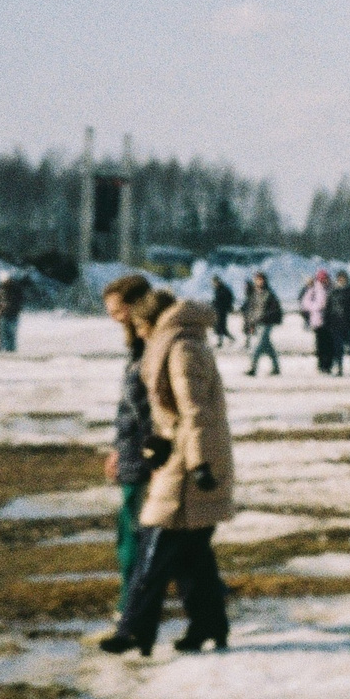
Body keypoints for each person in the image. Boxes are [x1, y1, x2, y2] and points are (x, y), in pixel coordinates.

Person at [102, 283, 235, 656]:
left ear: (151, 322)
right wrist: (159, 440)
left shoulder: (181, 347)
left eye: (139, 326)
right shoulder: (175, 343)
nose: (138, 334)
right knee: (192, 555)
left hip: (191, 463)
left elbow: (195, 412)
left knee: (155, 543)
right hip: (183, 454)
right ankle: (209, 624)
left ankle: (133, 629)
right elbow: (174, 412)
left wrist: (199, 463)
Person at [100, 275, 163, 614]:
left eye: (117, 311)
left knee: (136, 533)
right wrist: (117, 449)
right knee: (137, 530)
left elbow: (156, 412)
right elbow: (129, 409)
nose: (114, 318)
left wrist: (155, 458)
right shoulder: (137, 347)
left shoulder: (155, 348)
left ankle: (132, 605)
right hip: (132, 452)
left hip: (146, 455)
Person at [245, 273, 284, 377]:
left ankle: (253, 368)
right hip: (257, 323)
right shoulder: (254, 293)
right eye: (257, 279)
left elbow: (275, 310)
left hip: (266, 323)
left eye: (261, 279)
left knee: (258, 346)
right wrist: (251, 323)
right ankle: (276, 368)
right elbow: (251, 310)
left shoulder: (269, 294)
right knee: (268, 347)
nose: (259, 282)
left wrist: (266, 317)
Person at [299, 268, 335, 375]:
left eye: (325, 278)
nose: (324, 281)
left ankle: (328, 366)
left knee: (330, 344)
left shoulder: (332, 288)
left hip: (331, 320)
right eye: (322, 279)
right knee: (320, 344)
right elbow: (305, 303)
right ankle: (321, 365)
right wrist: (316, 307)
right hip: (318, 320)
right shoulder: (314, 289)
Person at [0, 270, 28, 354]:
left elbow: (21, 301)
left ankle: (10, 350)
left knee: (11, 334)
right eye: (6, 280)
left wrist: (17, 309)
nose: (7, 281)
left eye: (8, 280)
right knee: (1, 333)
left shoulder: (16, 290)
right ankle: (2, 349)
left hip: (12, 315)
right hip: (2, 315)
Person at [209, 275, 236, 346]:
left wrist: (228, 307)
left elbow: (227, 299)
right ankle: (226, 340)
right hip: (218, 310)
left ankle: (222, 342)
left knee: (221, 327)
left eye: (214, 282)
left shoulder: (223, 289)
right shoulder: (218, 289)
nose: (213, 284)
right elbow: (216, 300)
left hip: (222, 311)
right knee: (220, 327)